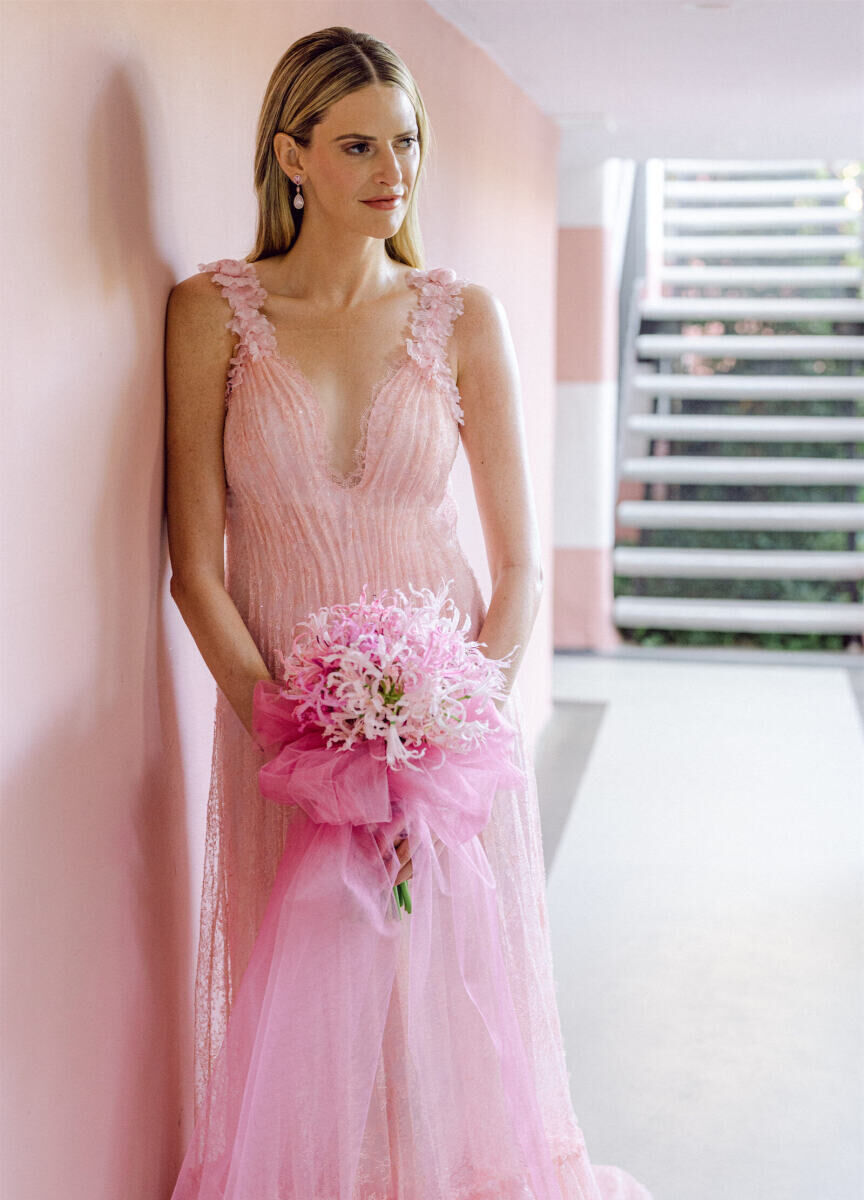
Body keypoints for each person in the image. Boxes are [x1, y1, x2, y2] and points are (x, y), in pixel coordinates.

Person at [164, 24, 653, 1200]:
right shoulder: (210, 315)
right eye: (358, 145)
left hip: (445, 747)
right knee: (310, 1032)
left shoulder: (460, 314)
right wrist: (284, 728)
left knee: (447, 1018)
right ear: (291, 156)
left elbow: (522, 565)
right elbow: (193, 562)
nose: (395, 170)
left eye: (408, 141)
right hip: (283, 741)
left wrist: (447, 725)